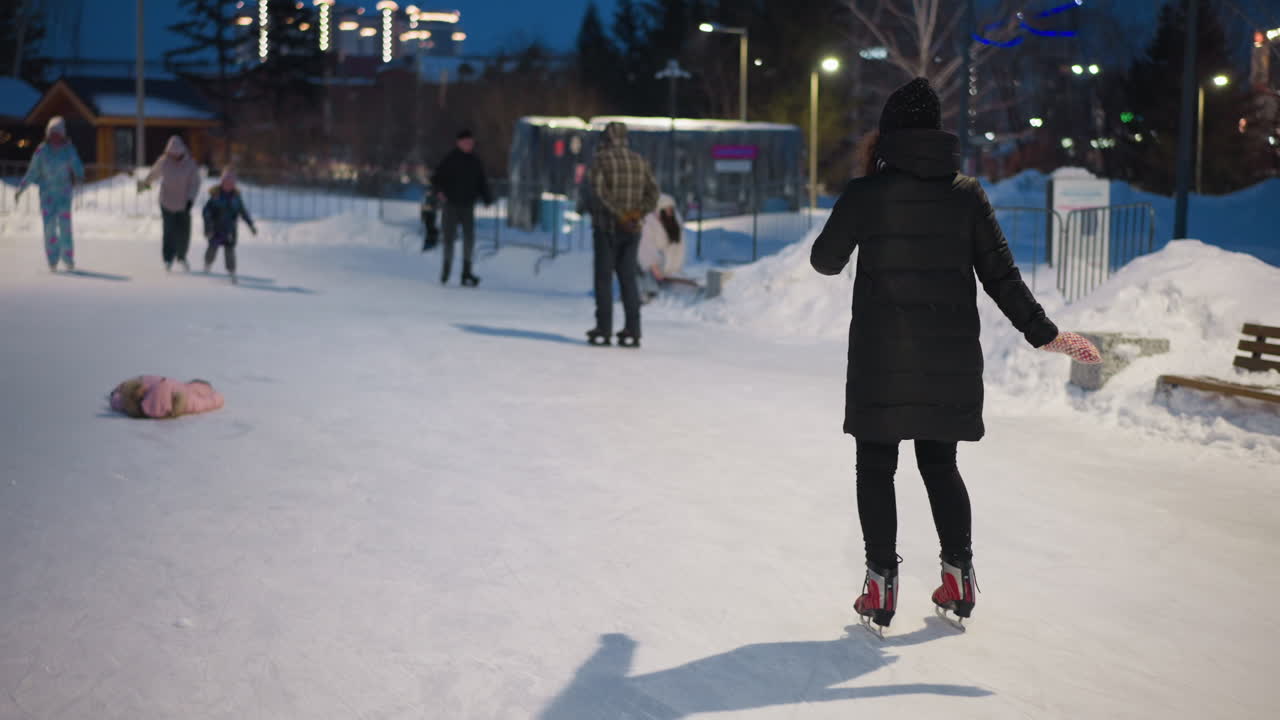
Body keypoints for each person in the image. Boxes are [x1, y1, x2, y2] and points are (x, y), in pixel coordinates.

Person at [809, 77, 1101, 633]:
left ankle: (879, 586)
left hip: (880, 362)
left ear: (888, 136)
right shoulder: (966, 194)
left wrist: (860, 204)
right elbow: (1003, 278)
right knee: (940, 465)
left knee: (876, 466)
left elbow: (825, 261)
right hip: (949, 363)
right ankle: (959, 576)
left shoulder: (865, 194)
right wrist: (1047, 334)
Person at [586, 121, 659, 348]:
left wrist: (619, 214)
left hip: (606, 228)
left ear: (606, 138)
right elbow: (654, 193)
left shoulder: (600, 161)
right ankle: (633, 329)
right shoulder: (640, 161)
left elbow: (599, 192)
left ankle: (604, 328)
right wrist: (636, 214)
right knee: (628, 279)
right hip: (632, 230)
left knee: (604, 278)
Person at [16, 116, 85, 272]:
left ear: (63, 134)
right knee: (49, 228)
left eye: (58, 133)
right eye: (52, 133)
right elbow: (33, 171)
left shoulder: (69, 149)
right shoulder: (42, 150)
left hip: (64, 194)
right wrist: (22, 187)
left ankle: (67, 258)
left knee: (65, 227)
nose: (55, 136)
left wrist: (80, 175)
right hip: (47, 195)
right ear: (48, 134)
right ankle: (52, 259)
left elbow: (76, 164)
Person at [430, 129, 493, 286]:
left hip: (467, 205)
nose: (469, 145)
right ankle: (446, 270)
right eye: (466, 142)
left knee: (469, 239)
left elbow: (481, 182)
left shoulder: (475, 161)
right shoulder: (450, 159)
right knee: (449, 238)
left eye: (471, 142)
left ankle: (466, 272)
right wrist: (439, 192)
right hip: (451, 205)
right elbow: (436, 179)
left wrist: (486, 198)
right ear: (459, 143)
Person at [139, 135, 202, 272]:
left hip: (184, 203)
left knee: (183, 232)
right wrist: (145, 183)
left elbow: (195, 183)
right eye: (170, 154)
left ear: (181, 152)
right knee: (169, 231)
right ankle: (168, 258)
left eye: (175, 154)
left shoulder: (190, 164)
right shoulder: (164, 161)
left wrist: (191, 199)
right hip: (166, 201)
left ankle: (181, 256)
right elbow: (154, 173)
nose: (172, 156)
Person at [201, 168, 257, 284]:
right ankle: (207, 264)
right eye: (226, 182)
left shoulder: (236, 198)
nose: (228, 185)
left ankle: (231, 271)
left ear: (234, 184)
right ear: (222, 182)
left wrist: (250, 225)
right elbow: (206, 211)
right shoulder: (215, 196)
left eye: (231, 183)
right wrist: (208, 225)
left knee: (230, 251)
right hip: (216, 229)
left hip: (230, 230)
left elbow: (243, 212)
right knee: (212, 249)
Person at [636, 193, 685, 303]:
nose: (669, 212)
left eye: (670, 209)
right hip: (644, 257)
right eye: (665, 209)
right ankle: (645, 292)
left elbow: (677, 248)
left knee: (660, 259)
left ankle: (652, 287)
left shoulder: (674, 222)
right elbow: (644, 247)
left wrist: (673, 269)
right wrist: (654, 266)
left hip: (662, 258)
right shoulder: (647, 221)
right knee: (639, 264)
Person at [108, 376, 225, 419]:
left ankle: (135, 395)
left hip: (152, 397)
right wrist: (218, 395)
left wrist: (117, 391)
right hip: (165, 404)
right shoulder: (189, 399)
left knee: (130, 398)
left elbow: (141, 379)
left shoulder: (179, 387)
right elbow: (211, 402)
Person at [420, 183, 440, 252]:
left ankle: (432, 243)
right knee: (428, 228)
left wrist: (428, 208)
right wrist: (422, 216)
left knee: (432, 228)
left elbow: (436, 206)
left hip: (432, 215)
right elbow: (422, 208)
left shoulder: (434, 197)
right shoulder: (426, 198)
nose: (427, 192)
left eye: (428, 191)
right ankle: (428, 244)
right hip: (427, 216)